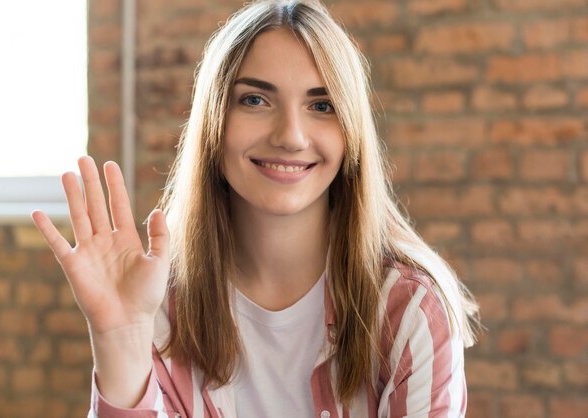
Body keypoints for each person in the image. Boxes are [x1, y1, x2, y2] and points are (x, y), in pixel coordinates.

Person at [31, 0, 480, 416]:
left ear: (352, 133)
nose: (290, 135)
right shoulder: (154, 302)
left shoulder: (409, 310)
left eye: (321, 105)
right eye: (255, 99)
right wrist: (122, 342)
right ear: (214, 124)